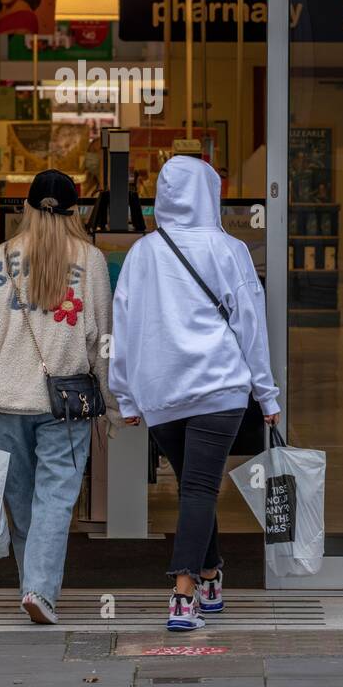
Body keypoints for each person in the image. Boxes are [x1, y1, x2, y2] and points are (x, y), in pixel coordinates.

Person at [109, 155, 280, 631]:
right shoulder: (229, 249)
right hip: (219, 387)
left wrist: (125, 394)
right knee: (199, 489)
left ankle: (205, 580)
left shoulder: (143, 253)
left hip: (161, 392)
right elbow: (252, 327)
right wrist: (267, 396)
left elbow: (124, 326)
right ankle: (190, 589)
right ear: (211, 194)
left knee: (195, 486)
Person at [0, 169, 122, 624]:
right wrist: (112, 405)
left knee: (23, 503)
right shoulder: (90, 261)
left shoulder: (0, 259)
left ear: (28, 208)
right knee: (55, 499)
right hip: (65, 403)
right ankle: (38, 590)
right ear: (77, 213)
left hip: (8, 401)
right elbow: (101, 341)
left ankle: (34, 589)